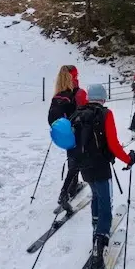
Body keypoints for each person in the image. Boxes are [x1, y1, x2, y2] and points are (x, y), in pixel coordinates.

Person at [70, 83, 135, 269]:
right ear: (103, 98)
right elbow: (113, 144)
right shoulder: (105, 114)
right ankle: (101, 243)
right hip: (101, 166)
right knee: (106, 203)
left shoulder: (79, 113)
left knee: (96, 197)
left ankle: (95, 231)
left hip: (84, 167)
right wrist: (128, 159)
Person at [48, 65, 88, 213]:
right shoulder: (77, 93)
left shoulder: (58, 94)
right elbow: (85, 110)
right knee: (77, 163)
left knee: (73, 159)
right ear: (73, 76)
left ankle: (73, 186)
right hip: (78, 132)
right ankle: (64, 192)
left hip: (65, 134)